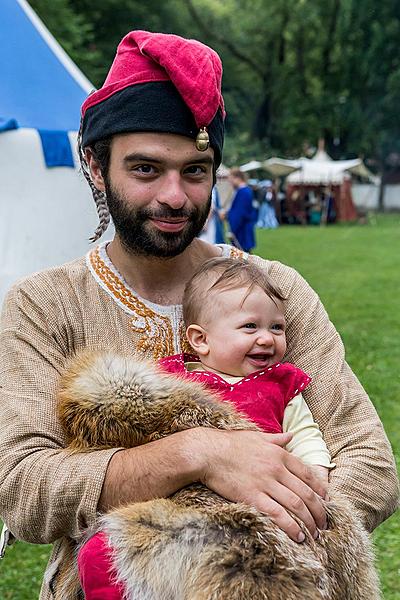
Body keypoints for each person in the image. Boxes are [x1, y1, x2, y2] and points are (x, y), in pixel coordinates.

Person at [0, 29, 397, 600]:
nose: (175, 196)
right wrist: (199, 455)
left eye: (195, 170)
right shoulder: (47, 303)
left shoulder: (276, 290)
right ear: (94, 163)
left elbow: (371, 463)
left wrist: (255, 546)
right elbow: (25, 489)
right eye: (145, 170)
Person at [227, 168, 257, 251]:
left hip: (242, 232)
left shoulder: (243, 192)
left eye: (231, 179)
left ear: (237, 178)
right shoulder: (245, 191)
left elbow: (239, 213)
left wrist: (232, 229)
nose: (230, 182)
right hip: (243, 230)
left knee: (242, 259)